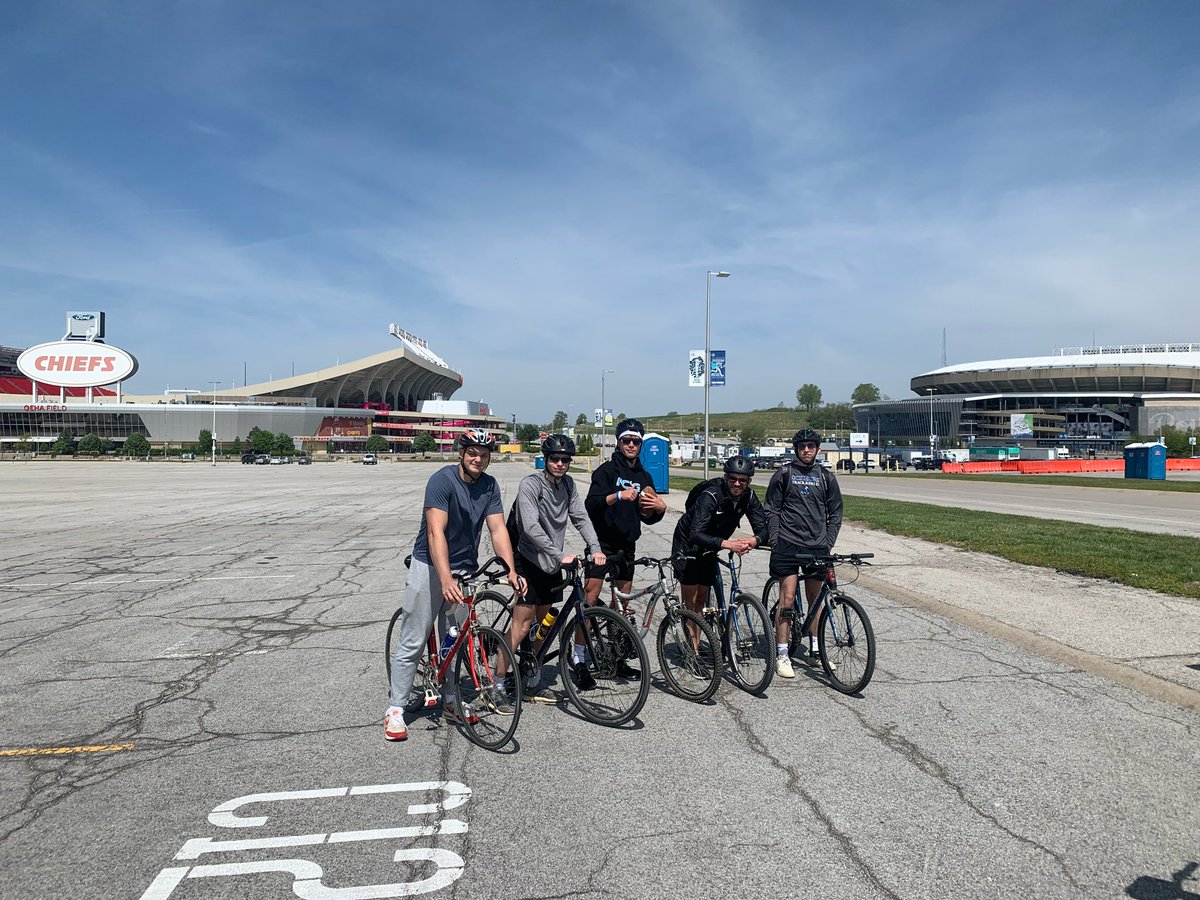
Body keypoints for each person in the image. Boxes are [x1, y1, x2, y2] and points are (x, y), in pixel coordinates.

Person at [384, 429, 524, 742]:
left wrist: (511, 570)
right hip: (431, 566)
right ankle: (395, 709)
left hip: (465, 568)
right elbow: (436, 533)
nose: (478, 458)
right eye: (473, 452)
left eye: (484, 455)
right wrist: (445, 578)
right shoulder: (442, 481)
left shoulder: (489, 486)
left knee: (455, 639)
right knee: (415, 637)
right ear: (460, 453)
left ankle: (450, 701)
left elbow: (498, 529)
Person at [495, 434, 605, 697]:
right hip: (527, 556)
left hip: (551, 561)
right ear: (545, 459)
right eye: (554, 458)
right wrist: (560, 555)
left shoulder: (567, 485)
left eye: (565, 459)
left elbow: (581, 517)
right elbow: (531, 527)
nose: (560, 463)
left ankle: (530, 666)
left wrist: (596, 547)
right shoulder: (531, 485)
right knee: (522, 625)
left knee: (543, 623)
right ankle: (497, 680)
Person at [581, 418, 666, 686]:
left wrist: (660, 509)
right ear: (619, 442)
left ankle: (617, 658)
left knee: (623, 604)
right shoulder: (606, 471)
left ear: (641, 444)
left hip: (627, 546)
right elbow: (591, 505)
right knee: (590, 599)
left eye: (636, 441)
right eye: (626, 440)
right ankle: (579, 658)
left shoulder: (645, 477)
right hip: (602, 545)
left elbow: (648, 517)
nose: (631, 445)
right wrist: (618, 496)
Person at [763, 427, 843, 678]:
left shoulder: (826, 477)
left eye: (811, 446)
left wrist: (828, 541)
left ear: (818, 449)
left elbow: (836, 513)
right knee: (787, 599)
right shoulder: (784, 474)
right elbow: (771, 509)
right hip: (788, 544)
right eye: (802, 446)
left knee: (816, 601)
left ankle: (816, 651)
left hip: (816, 545)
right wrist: (776, 538)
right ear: (796, 449)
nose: (806, 450)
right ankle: (783, 653)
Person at [672, 455, 769, 626]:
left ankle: (706, 639)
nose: (737, 484)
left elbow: (763, 529)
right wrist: (728, 543)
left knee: (702, 597)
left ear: (749, 481)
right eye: (732, 479)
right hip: (688, 544)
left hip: (712, 544)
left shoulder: (749, 496)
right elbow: (695, 533)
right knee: (692, 600)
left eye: (742, 480)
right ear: (725, 477)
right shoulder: (710, 495)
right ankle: (692, 651)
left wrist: (754, 540)